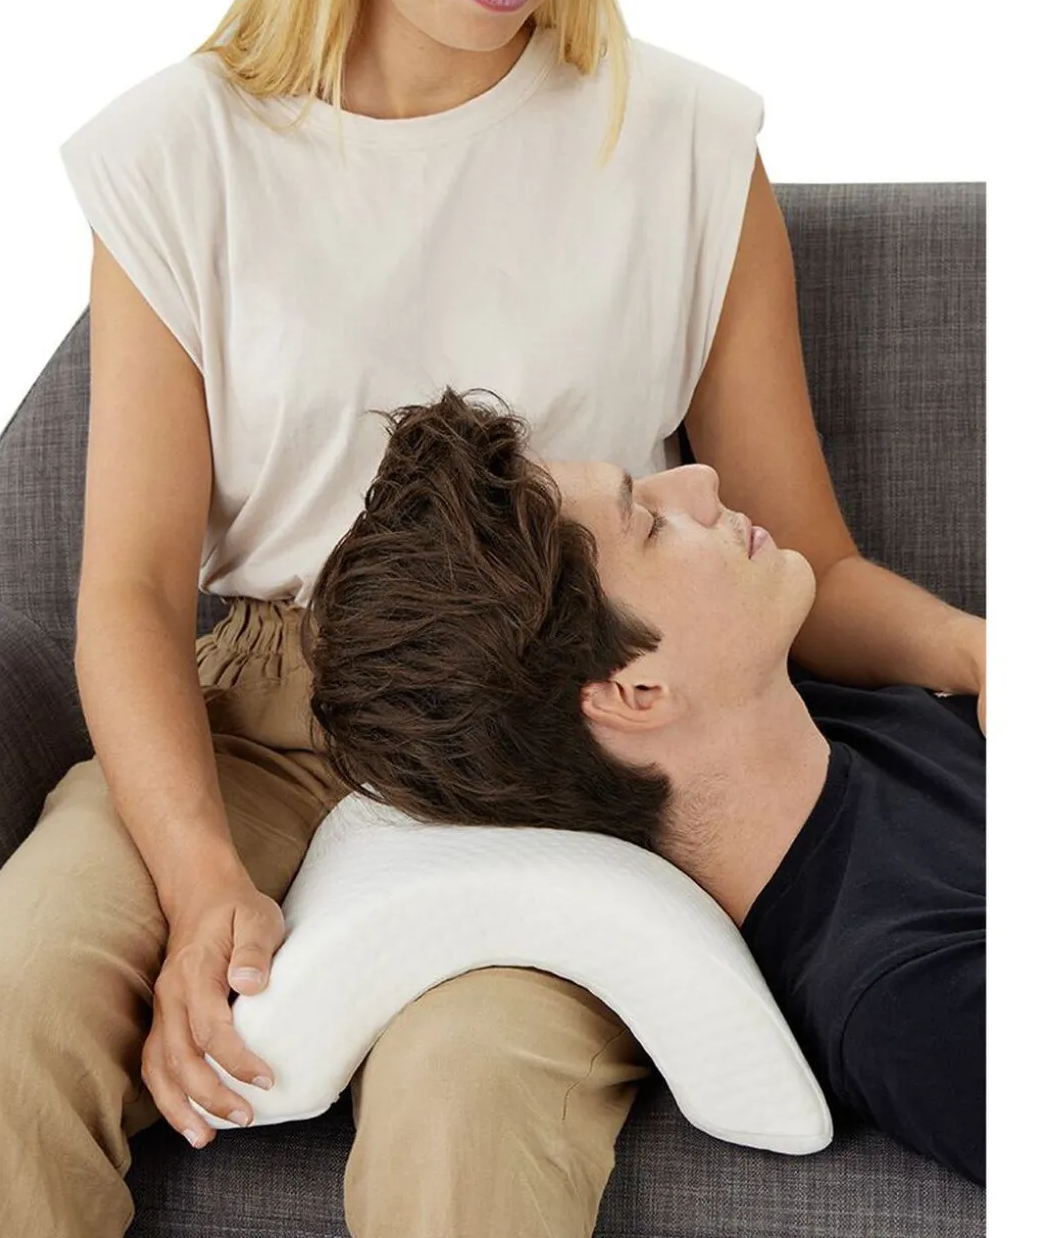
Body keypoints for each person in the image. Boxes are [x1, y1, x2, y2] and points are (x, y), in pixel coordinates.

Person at [0, 0, 986, 1234]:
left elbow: (804, 566)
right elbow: (131, 591)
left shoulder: (685, 139)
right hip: (246, 732)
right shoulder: (180, 151)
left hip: (529, 764)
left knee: (471, 1096)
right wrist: (200, 884)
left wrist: (980, 653)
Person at [304, 387, 986, 1185]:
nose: (699, 479)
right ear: (634, 693)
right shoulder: (906, 1002)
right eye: (652, 524)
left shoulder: (848, 711)